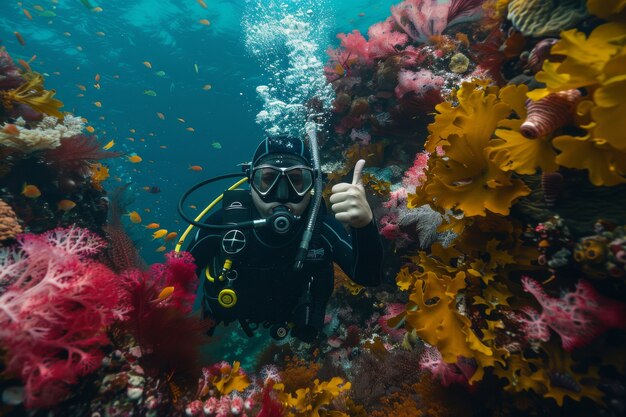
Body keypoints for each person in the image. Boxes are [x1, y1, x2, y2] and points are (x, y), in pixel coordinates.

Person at [186, 135, 384, 342]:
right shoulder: (225, 223)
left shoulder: (320, 228)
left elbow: (368, 277)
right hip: (226, 312)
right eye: (268, 179)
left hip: (292, 321)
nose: (281, 194)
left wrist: (364, 225)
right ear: (251, 181)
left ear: (313, 183)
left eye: (297, 180)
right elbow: (181, 276)